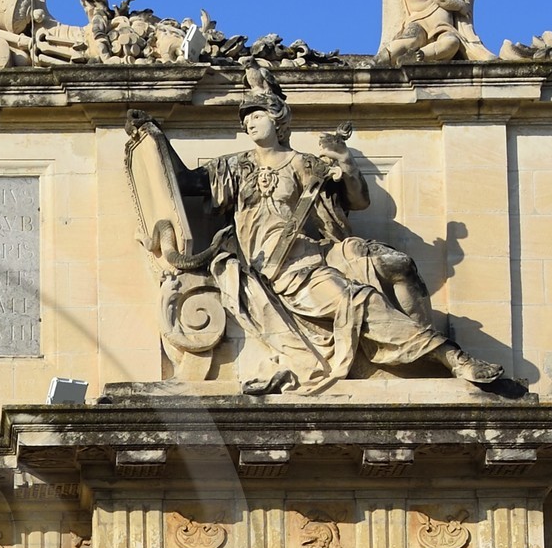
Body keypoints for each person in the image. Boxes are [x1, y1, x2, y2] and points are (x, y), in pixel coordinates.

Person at [151, 70, 506, 393]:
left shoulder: (306, 165)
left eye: (257, 115)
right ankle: (442, 357)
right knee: (357, 301)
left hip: (304, 263)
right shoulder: (234, 166)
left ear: (278, 120)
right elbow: (184, 182)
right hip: (265, 270)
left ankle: (447, 357)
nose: (249, 124)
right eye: (246, 119)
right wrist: (154, 140)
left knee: (364, 295)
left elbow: (358, 201)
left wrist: (347, 164)